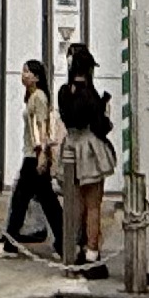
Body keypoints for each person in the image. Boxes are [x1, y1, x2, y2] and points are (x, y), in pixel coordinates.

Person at [56, 43, 116, 273]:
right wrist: (105, 111)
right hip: (90, 150)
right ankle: (92, 252)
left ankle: (74, 249)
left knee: (75, 204)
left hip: (70, 147)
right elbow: (101, 127)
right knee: (93, 205)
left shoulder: (64, 92)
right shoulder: (90, 95)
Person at [0, 56, 61, 259]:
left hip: (34, 156)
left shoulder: (38, 97)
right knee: (46, 202)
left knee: (22, 200)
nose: (23, 75)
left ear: (36, 76)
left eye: (27, 71)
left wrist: (41, 155)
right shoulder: (33, 96)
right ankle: (62, 242)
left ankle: (10, 243)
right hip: (33, 153)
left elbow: (42, 126)